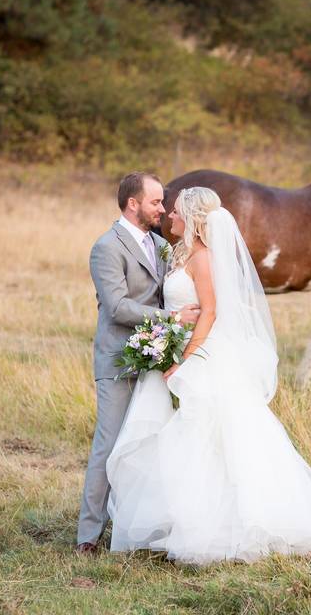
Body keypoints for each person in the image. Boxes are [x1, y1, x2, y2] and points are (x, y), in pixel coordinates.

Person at [105, 186, 311, 564]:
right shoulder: (180, 252)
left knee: (212, 435)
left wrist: (184, 360)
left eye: (175, 212)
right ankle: (179, 516)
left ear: (191, 217)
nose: (169, 216)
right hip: (179, 346)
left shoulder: (202, 257)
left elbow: (211, 311)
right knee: (184, 435)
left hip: (201, 353)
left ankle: (222, 526)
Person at [78, 172, 200, 553]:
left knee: (151, 441)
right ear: (133, 204)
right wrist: (172, 320)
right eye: (155, 203)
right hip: (119, 359)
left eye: (163, 203)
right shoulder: (106, 247)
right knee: (109, 444)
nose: (162, 209)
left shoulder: (161, 246)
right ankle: (88, 535)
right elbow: (115, 307)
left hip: (157, 358)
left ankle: (139, 526)